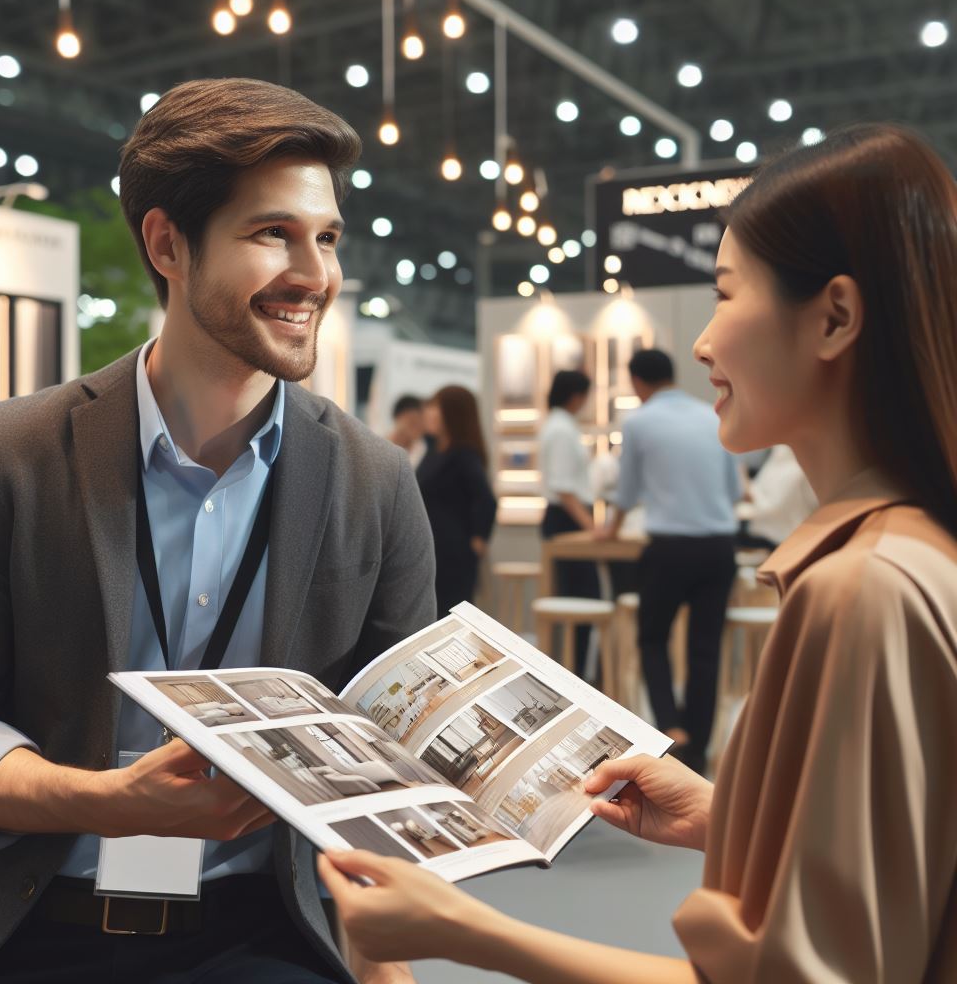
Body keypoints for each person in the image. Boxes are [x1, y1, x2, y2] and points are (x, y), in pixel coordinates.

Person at [317, 123, 957, 982]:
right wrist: (730, 815)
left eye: (727, 296)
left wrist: (464, 931)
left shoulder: (862, 588)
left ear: (834, 316)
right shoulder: (914, 553)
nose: (703, 342)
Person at [0, 78, 432, 984]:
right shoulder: (9, 452)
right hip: (34, 914)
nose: (316, 274)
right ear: (168, 244)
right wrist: (106, 803)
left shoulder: (377, 481)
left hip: (270, 926)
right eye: (272, 232)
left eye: (326, 238)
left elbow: (391, 768)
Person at [598, 348, 740, 772]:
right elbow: (734, 491)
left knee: (652, 638)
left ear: (638, 382)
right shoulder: (712, 415)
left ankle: (671, 728)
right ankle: (697, 746)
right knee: (705, 648)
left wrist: (609, 528)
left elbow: (625, 493)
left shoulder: (639, 421)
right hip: (719, 546)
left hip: (670, 548)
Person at [416, 385, 496, 619]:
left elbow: (486, 499)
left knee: (450, 615)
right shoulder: (434, 451)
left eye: (435, 407)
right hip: (434, 548)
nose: (428, 413)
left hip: (453, 552)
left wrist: (479, 538)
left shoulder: (463, 454)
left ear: (452, 413)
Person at [538, 369, 599, 675]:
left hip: (564, 517)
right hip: (566, 520)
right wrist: (590, 527)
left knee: (579, 596)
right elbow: (564, 488)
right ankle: (575, 673)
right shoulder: (561, 429)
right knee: (582, 598)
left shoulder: (559, 425)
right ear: (576, 396)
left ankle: (574, 669)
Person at [742, 443, 818, 548]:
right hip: (774, 537)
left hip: (787, 538)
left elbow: (773, 508)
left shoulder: (795, 470)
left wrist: (744, 483)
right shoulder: (778, 462)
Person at [386, 394, 428, 469]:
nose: (419, 427)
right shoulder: (378, 444)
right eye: (413, 422)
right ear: (398, 416)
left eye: (423, 423)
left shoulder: (424, 452)